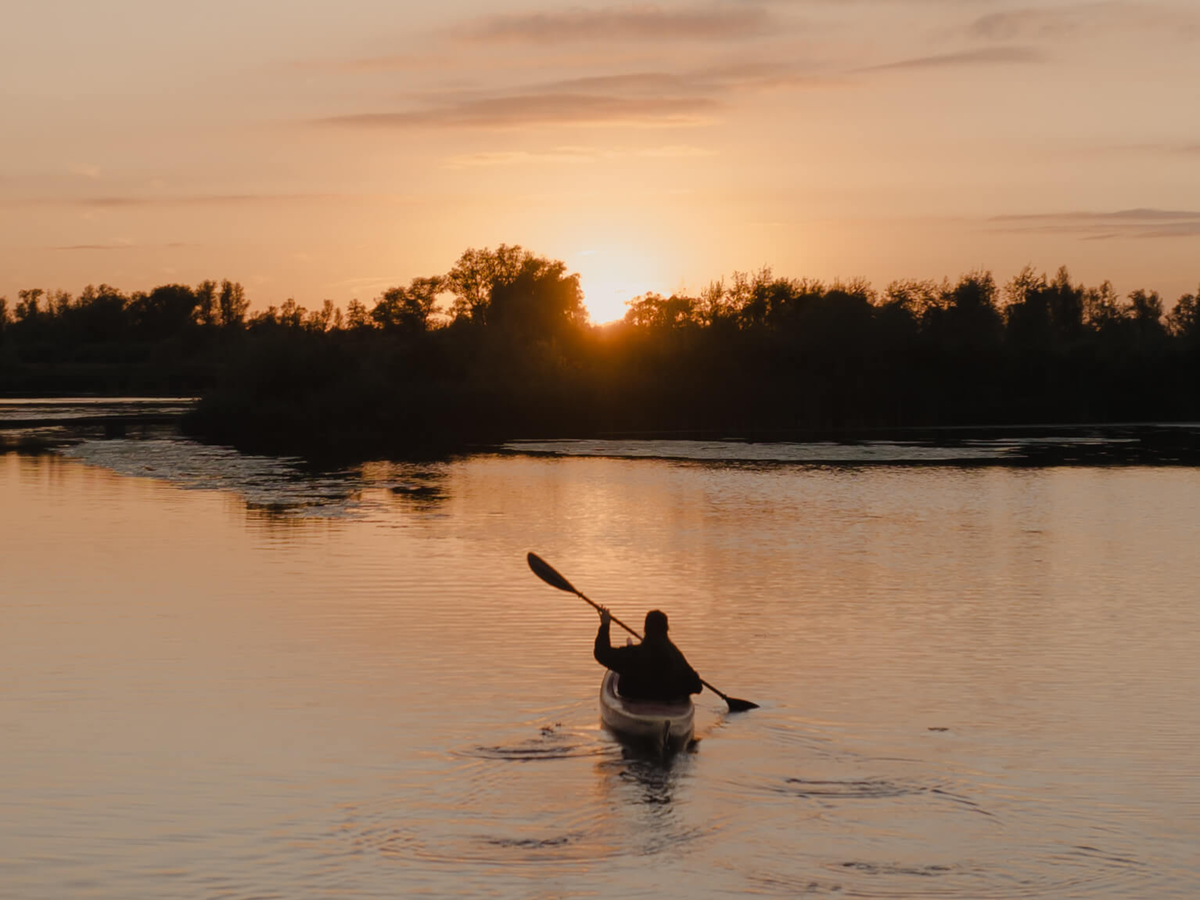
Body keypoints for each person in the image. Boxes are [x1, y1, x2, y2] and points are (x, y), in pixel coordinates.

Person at [594, 606, 703, 701]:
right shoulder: (675, 655)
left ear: (645, 629)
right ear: (666, 630)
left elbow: (602, 653)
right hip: (666, 698)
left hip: (635, 696)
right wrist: (695, 677)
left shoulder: (633, 655)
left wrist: (605, 625)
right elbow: (697, 687)